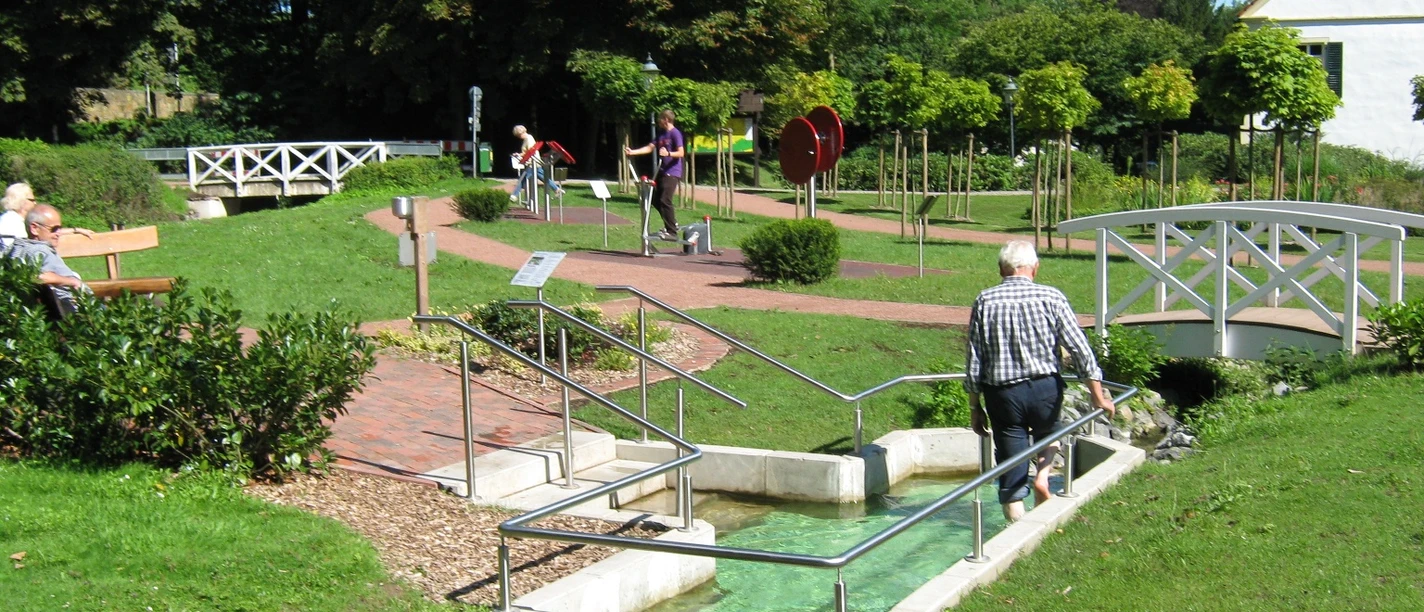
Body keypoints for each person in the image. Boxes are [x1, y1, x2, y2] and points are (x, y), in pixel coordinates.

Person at [964, 240, 1115, 522]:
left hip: (1002, 393)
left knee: (1011, 462)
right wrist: (1097, 394)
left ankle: (1018, 524)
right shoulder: (1052, 297)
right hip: (1045, 387)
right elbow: (1079, 347)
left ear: (1001, 269)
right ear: (1035, 268)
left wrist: (975, 406)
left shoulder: (985, 300)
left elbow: (975, 357)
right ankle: (1043, 477)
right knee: (1049, 433)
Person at [3, 204, 89, 312]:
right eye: (54, 229)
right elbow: (36, 276)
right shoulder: (40, 251)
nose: (58, 233)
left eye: (60, 229)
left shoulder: (16, 248)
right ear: (34, 228)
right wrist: (73, 281)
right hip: (77, 316)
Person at [624, 109, 685, 240]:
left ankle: (672, 232)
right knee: (654, 198)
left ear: (666, 119)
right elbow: (649, 147)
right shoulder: (661, 135)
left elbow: (681, 153)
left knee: (665, 200)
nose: (658, 121)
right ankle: (672, 223)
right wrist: (632, 152)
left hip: (673, 172)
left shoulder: (675, 133)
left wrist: (668, 154)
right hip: (662, 171)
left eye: (660, 119)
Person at [1, 183, 93, 249]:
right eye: (32, 200)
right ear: (21, 200)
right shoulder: (9, 223)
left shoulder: (18, 220)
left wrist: (75, 230)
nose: (35, 203)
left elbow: (47, 231)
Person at [509, 125, 562, 201]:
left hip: (532, 163)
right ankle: (557, 189)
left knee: (522, 179)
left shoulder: (529, 139)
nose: (518, 137)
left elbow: (530, 151)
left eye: (518, 135)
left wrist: (521, 155)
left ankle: (514, 195)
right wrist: (519, 154)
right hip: (534, 163)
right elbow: (526, 152)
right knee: (544, 178)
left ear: (521, 133)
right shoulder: (526, 139)